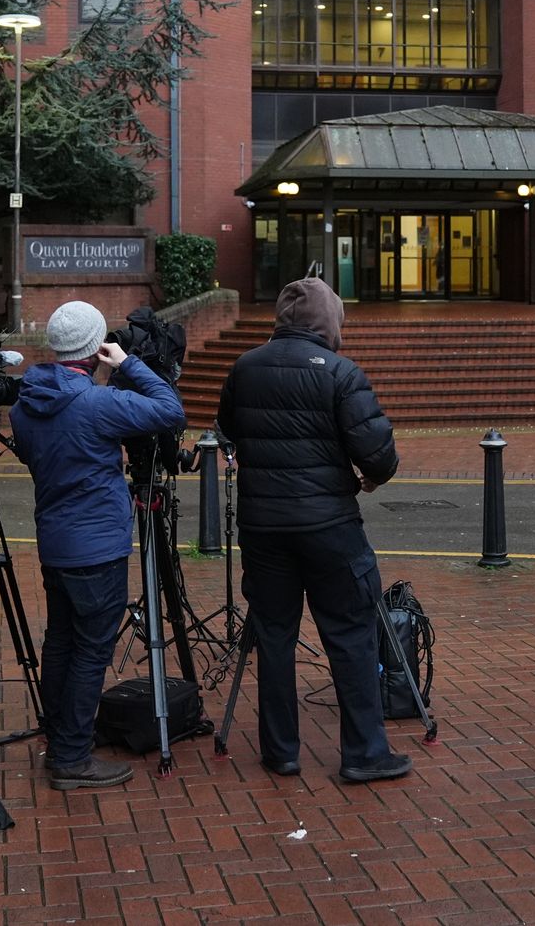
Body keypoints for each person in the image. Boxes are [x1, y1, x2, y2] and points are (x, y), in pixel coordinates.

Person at [216, 276, 411, 784]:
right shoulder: (341, 373)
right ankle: (365, 753)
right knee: (349, 635)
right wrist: (361, 473)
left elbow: (230, 428)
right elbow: (379, 456)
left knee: (274, 636)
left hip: (263, 529)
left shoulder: (245, 367)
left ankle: (280, 751)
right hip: (330, 527)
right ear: (330, 321)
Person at [8, 301, 186, 791]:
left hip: (56, 543)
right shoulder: (97, 404)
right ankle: (71, 757)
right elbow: (170, 410)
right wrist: (127, 364)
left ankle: (61, 736)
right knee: (90, 651)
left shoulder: (25, 404)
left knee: (62, 642)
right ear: (93, 349)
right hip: (98, 548)